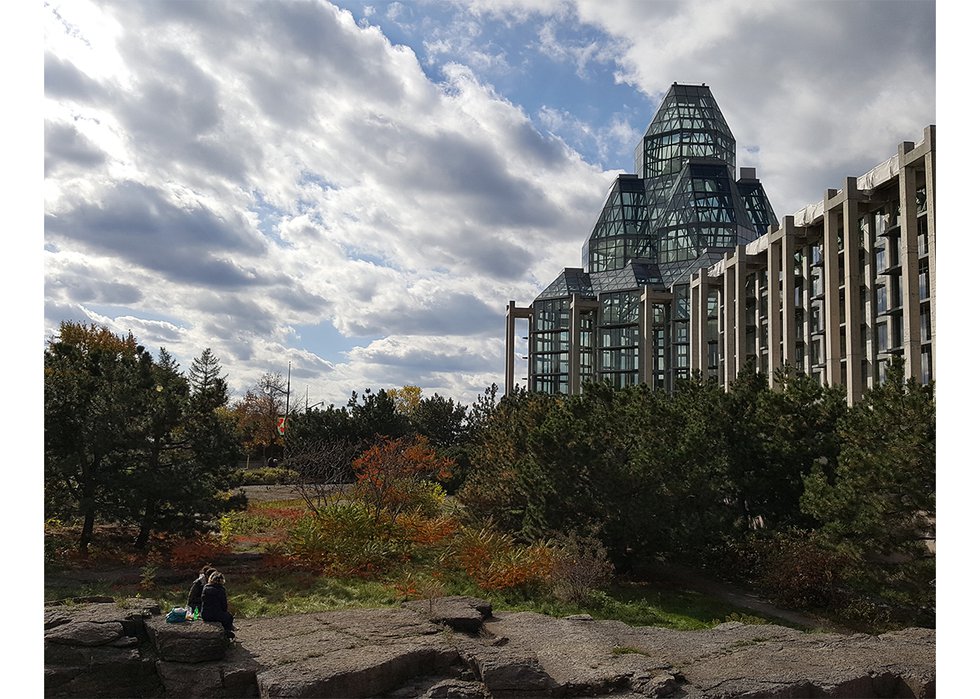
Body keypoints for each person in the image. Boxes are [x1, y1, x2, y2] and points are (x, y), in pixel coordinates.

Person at [201, 571, 235, 638]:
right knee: (229, 617)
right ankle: (227, 632)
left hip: (205, 615)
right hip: (216, 615)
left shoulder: (205, 588)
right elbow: (224, 606)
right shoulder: (221, 590)